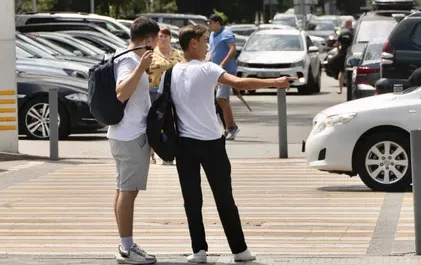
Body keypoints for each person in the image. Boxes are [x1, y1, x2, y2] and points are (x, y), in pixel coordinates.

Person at [164, 24, 292, 263]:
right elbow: (240, 84)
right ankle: (240, 251)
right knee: (224, 198)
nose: (207, 46)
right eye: (204, 41)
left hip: (184, 145)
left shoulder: (170, 73)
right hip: (212, 144)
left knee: (192, 199)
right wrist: (276, 81)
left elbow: (165, 109)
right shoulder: (208, 69)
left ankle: (198, 251)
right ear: (193, 43)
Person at [111, 16, 160, 264]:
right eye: (155, 41)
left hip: (125, 135)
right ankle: (127, 248)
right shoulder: (129, 60)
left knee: (123, 191)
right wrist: (141, 68)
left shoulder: (122, 55)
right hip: (130, 135)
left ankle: (125, 244)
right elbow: (121, 93)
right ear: (149, 39)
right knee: (128, 192)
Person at [146, 27, 184, 165]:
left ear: (170, 38)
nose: (163, 38)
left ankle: (168, 152)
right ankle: (150, 153)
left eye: (166, 36)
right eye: (160, 36)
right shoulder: (151, 53)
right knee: (153, 123)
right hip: (154, 92)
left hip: (172, 92)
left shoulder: (177, 54)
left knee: (170, 123)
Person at [208, 14, 239, 140]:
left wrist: (222, 64)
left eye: (210, 23)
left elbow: (232, 50)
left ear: (217, 23)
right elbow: (213, 51)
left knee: (221, 98)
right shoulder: (211, 35)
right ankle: (228, 128)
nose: (208, 25)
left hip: (226, 72)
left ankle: (232, 127)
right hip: (215, 72)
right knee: (222, 100)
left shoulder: (226, 33)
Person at [335, 18, 354, 95]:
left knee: (342, 71)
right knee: (352, 72)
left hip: (342, 53)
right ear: (351, 24)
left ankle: (340, 89)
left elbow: (337, 44)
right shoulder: (353, 33)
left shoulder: (341, 33)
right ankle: (352, 89)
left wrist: (339, 51)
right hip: (351, 54)